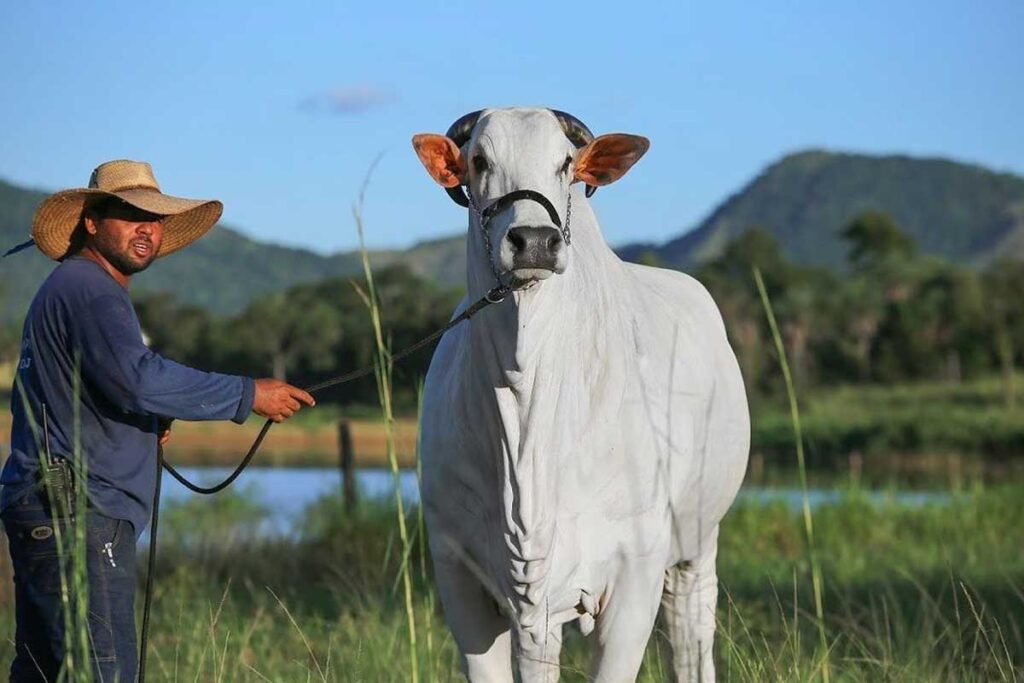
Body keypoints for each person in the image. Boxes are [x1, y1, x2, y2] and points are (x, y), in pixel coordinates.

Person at [0, 159, 316, 682]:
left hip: (54, 505)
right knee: (107, 670)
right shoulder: (90, 288)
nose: (147, 227)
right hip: (78, 510)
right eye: (129, 214)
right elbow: (139, 379)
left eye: (155, 217)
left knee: (45, 669)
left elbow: (102, 390)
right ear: (92, 223)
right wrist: (247, 393)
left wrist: (147, 418)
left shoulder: (78, 286)